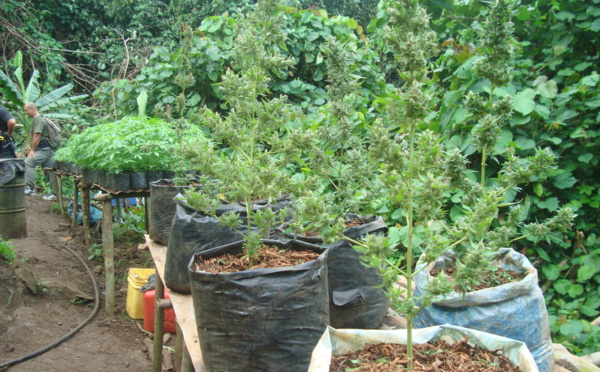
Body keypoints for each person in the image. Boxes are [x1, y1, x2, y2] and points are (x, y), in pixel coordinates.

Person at [24, 102, 56, 200]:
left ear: (32, 109)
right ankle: (55, 194)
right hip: (48, 149)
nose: (25, 113)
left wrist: (32, 150)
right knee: (50, 170)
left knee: (27, 163)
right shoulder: (41, 119)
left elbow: (37, 134)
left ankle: (29, 187)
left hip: (43, 149)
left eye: (26, 110)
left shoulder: (38, 120)